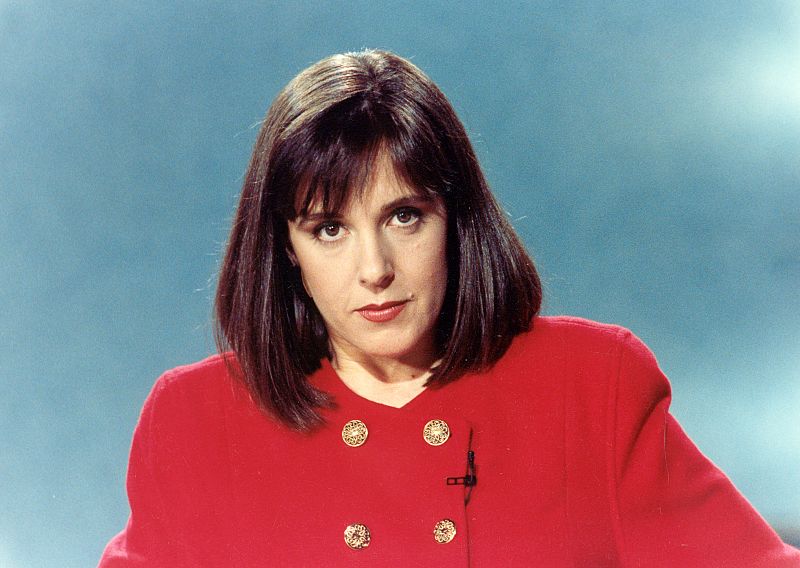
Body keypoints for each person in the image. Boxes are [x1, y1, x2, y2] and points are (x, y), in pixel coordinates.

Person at [99, 50, 799, 567]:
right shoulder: (195, 421)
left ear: (455, 219)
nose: (375, 270)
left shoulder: (593, 386)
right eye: (330, 229)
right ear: (286, 247)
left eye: (404, 217)